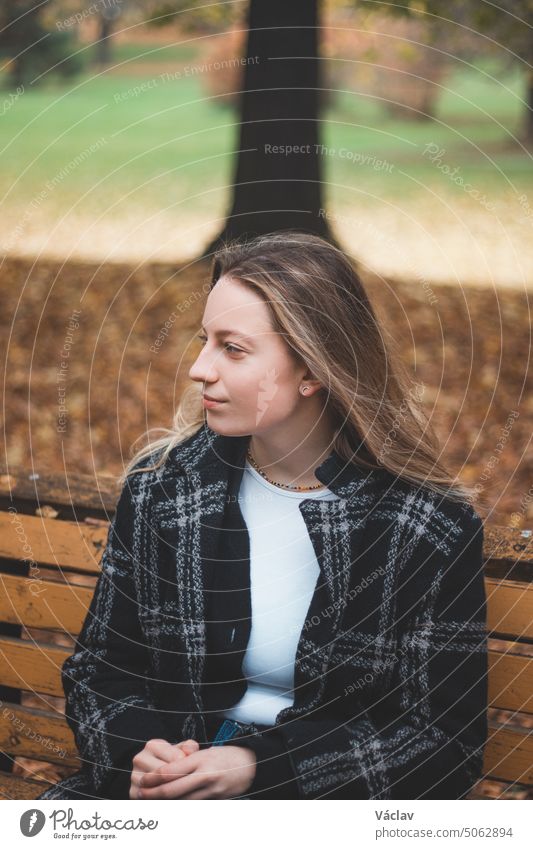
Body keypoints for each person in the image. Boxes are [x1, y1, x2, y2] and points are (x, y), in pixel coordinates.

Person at [37, 231, 487, 801]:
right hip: (162, 795)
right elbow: (101, 670)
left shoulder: (420, 529)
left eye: (233, 348)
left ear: (312, 370)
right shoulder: (164, 492)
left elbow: (442, 741)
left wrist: (260, 767)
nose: (200, 369)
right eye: (205, 340)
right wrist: (142, 752)